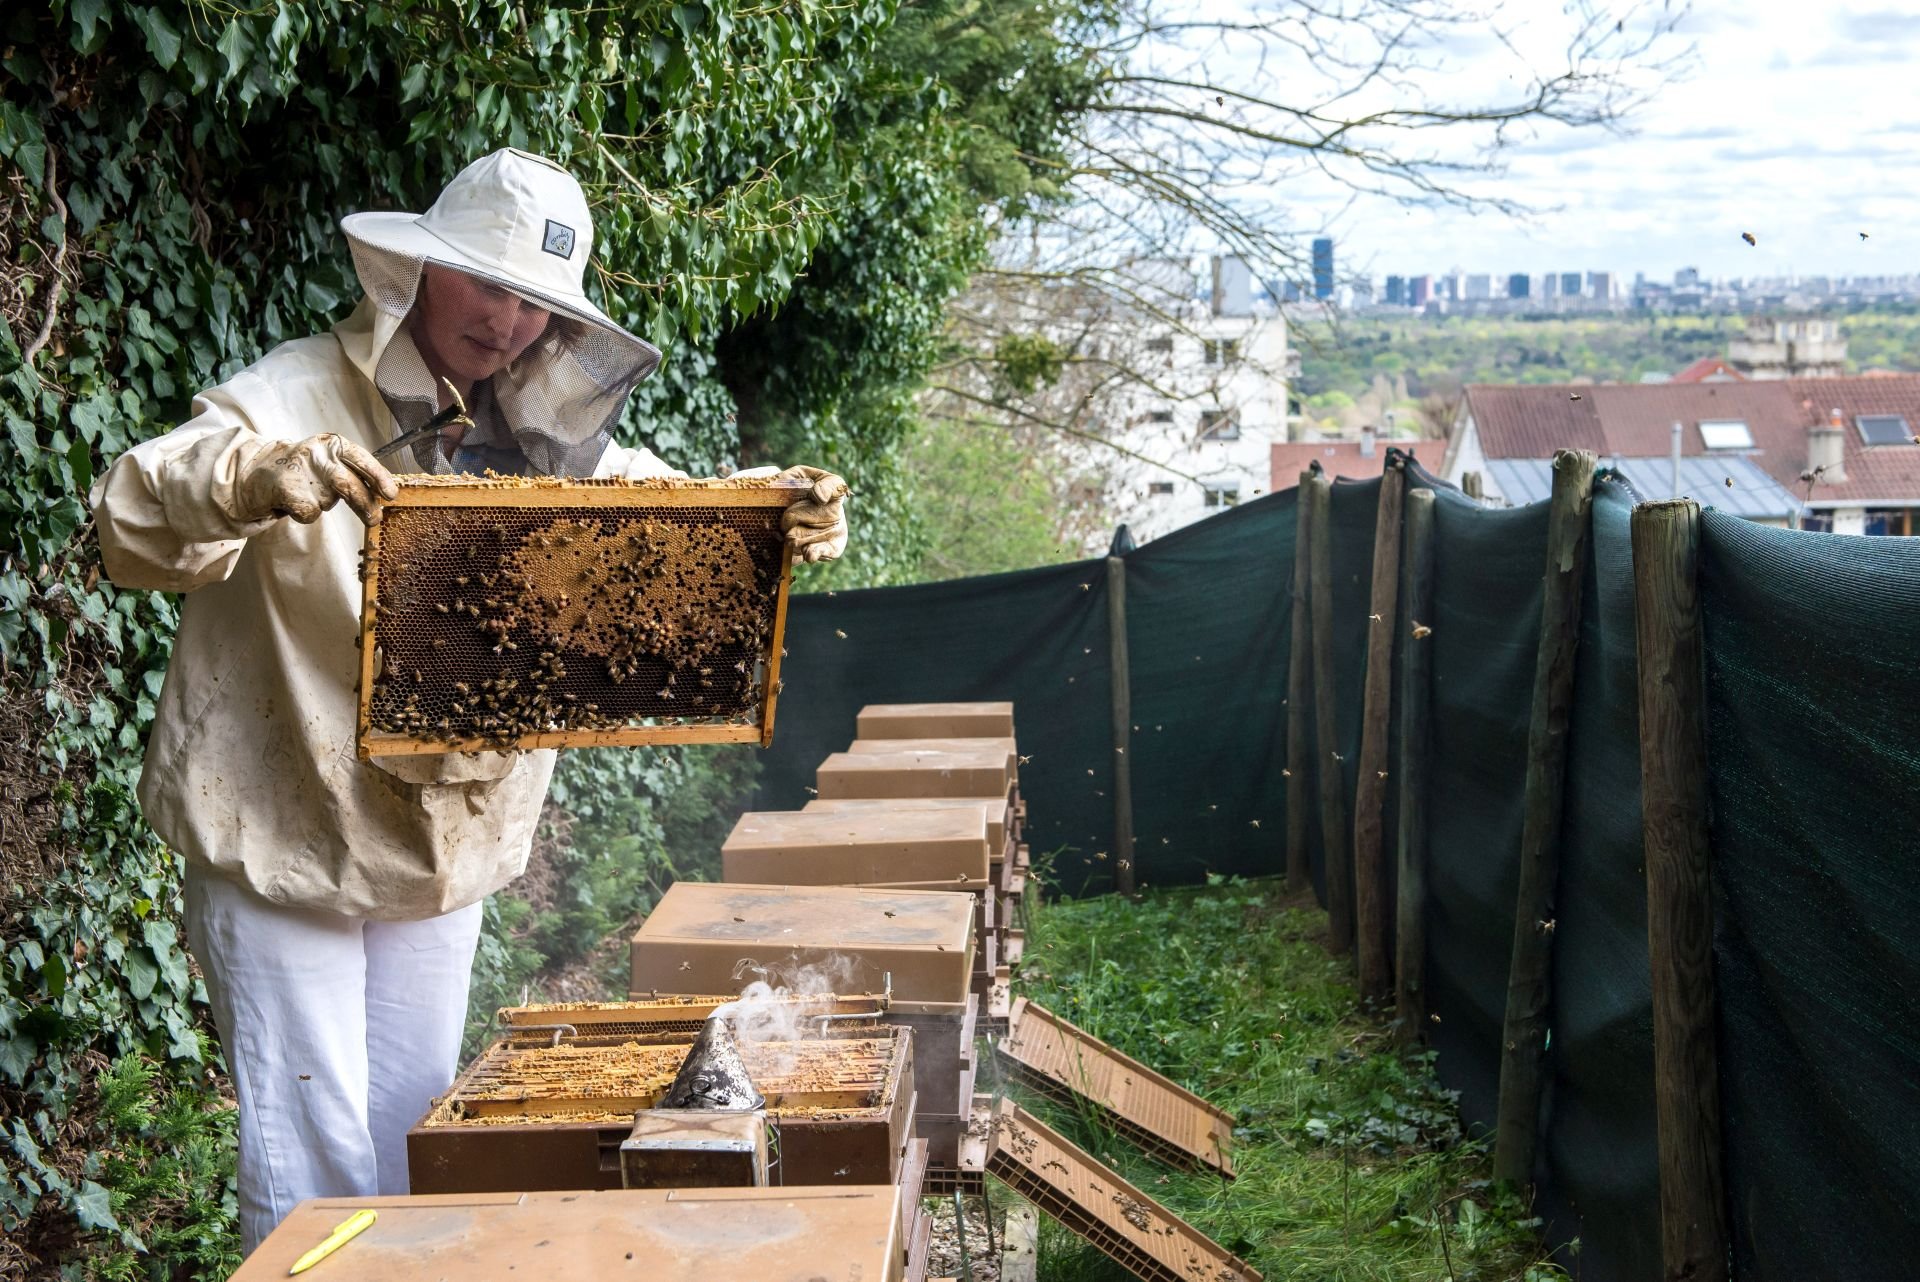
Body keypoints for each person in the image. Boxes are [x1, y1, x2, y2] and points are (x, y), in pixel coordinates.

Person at [88, 149, 848, 1254]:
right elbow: (133, 513)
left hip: (438, 849)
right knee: (316, 1161)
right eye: (488, 284)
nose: (509, 323)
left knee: (422, 1139)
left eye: (537, 301)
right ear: (421, 270)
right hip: (283, 819)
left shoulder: (546, 433)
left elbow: (669, 515)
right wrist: (251, 477)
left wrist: (773, 513)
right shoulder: (294, 389)